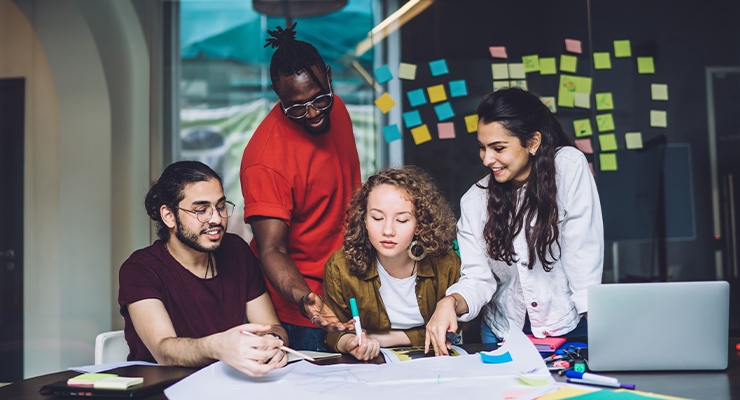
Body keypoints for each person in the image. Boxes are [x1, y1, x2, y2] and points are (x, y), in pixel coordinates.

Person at [425, 87, 604, 356]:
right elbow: (477, 280)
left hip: (570, 326)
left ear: (532, 142)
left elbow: (582, 254)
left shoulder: (568, 167)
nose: (487, 159)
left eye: (498, 148)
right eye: (482, 148)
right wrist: (448, 302)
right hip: (504, 332)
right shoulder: (474, 201)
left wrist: (603, 329)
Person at [240, 23, 361, 351]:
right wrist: (303, 297)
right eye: (295, 107)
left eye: (319, 99)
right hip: (304, 311)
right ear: (278, 97)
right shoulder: (265, 160)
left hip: (351, 290)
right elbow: (272, 250)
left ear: (329, 77)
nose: (311, 113)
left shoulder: (337, 110)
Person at [119, 161, 288, 377]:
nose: (216, 219)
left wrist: (273, 343)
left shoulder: (236, 251)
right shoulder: (140, 269)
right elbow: (164, 351)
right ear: (169, 216)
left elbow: (272, 326)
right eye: (201, 210)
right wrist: (219, 347)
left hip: (227, 385)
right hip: (161, 389)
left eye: (220, 206)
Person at [323, 166, 460, 360]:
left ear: (420, 225)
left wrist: (385, 338)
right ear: (364, 219)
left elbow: (454, 331)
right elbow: (333, 332)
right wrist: (351, 344)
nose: (388, 230)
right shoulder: (339, 267)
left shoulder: (445, 263)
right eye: (377, 218)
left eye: (402, 220)